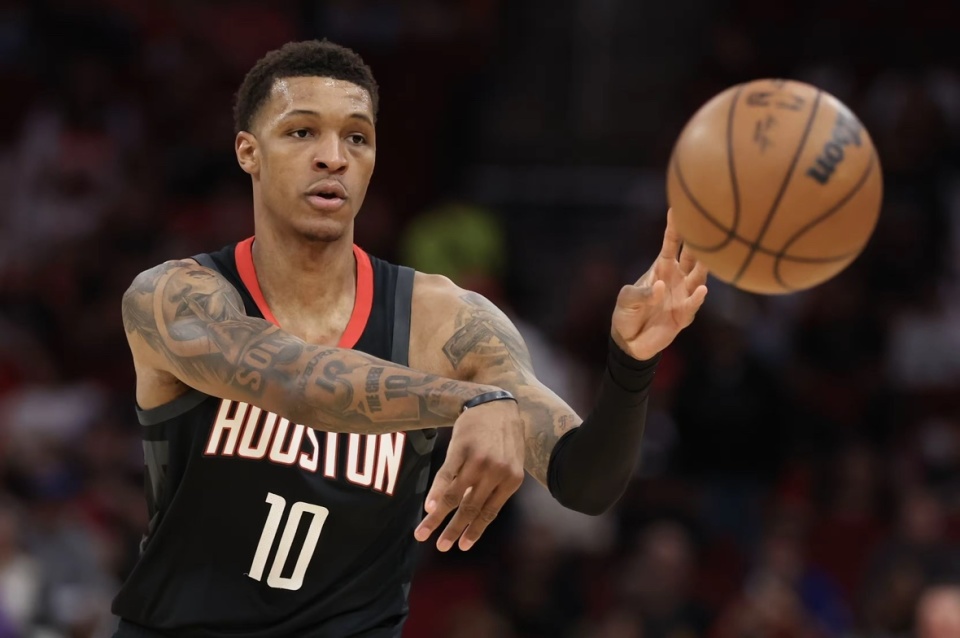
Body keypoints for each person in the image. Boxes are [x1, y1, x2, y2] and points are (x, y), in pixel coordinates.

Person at [113, 39, 708, 638]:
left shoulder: (443, 320)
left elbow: (583, 482)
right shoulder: (176, 297)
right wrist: (472, 400)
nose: (333, 157)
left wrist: (631, 364)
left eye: (356, 137)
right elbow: (296, 381)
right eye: (301, 132)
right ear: (249, 151)